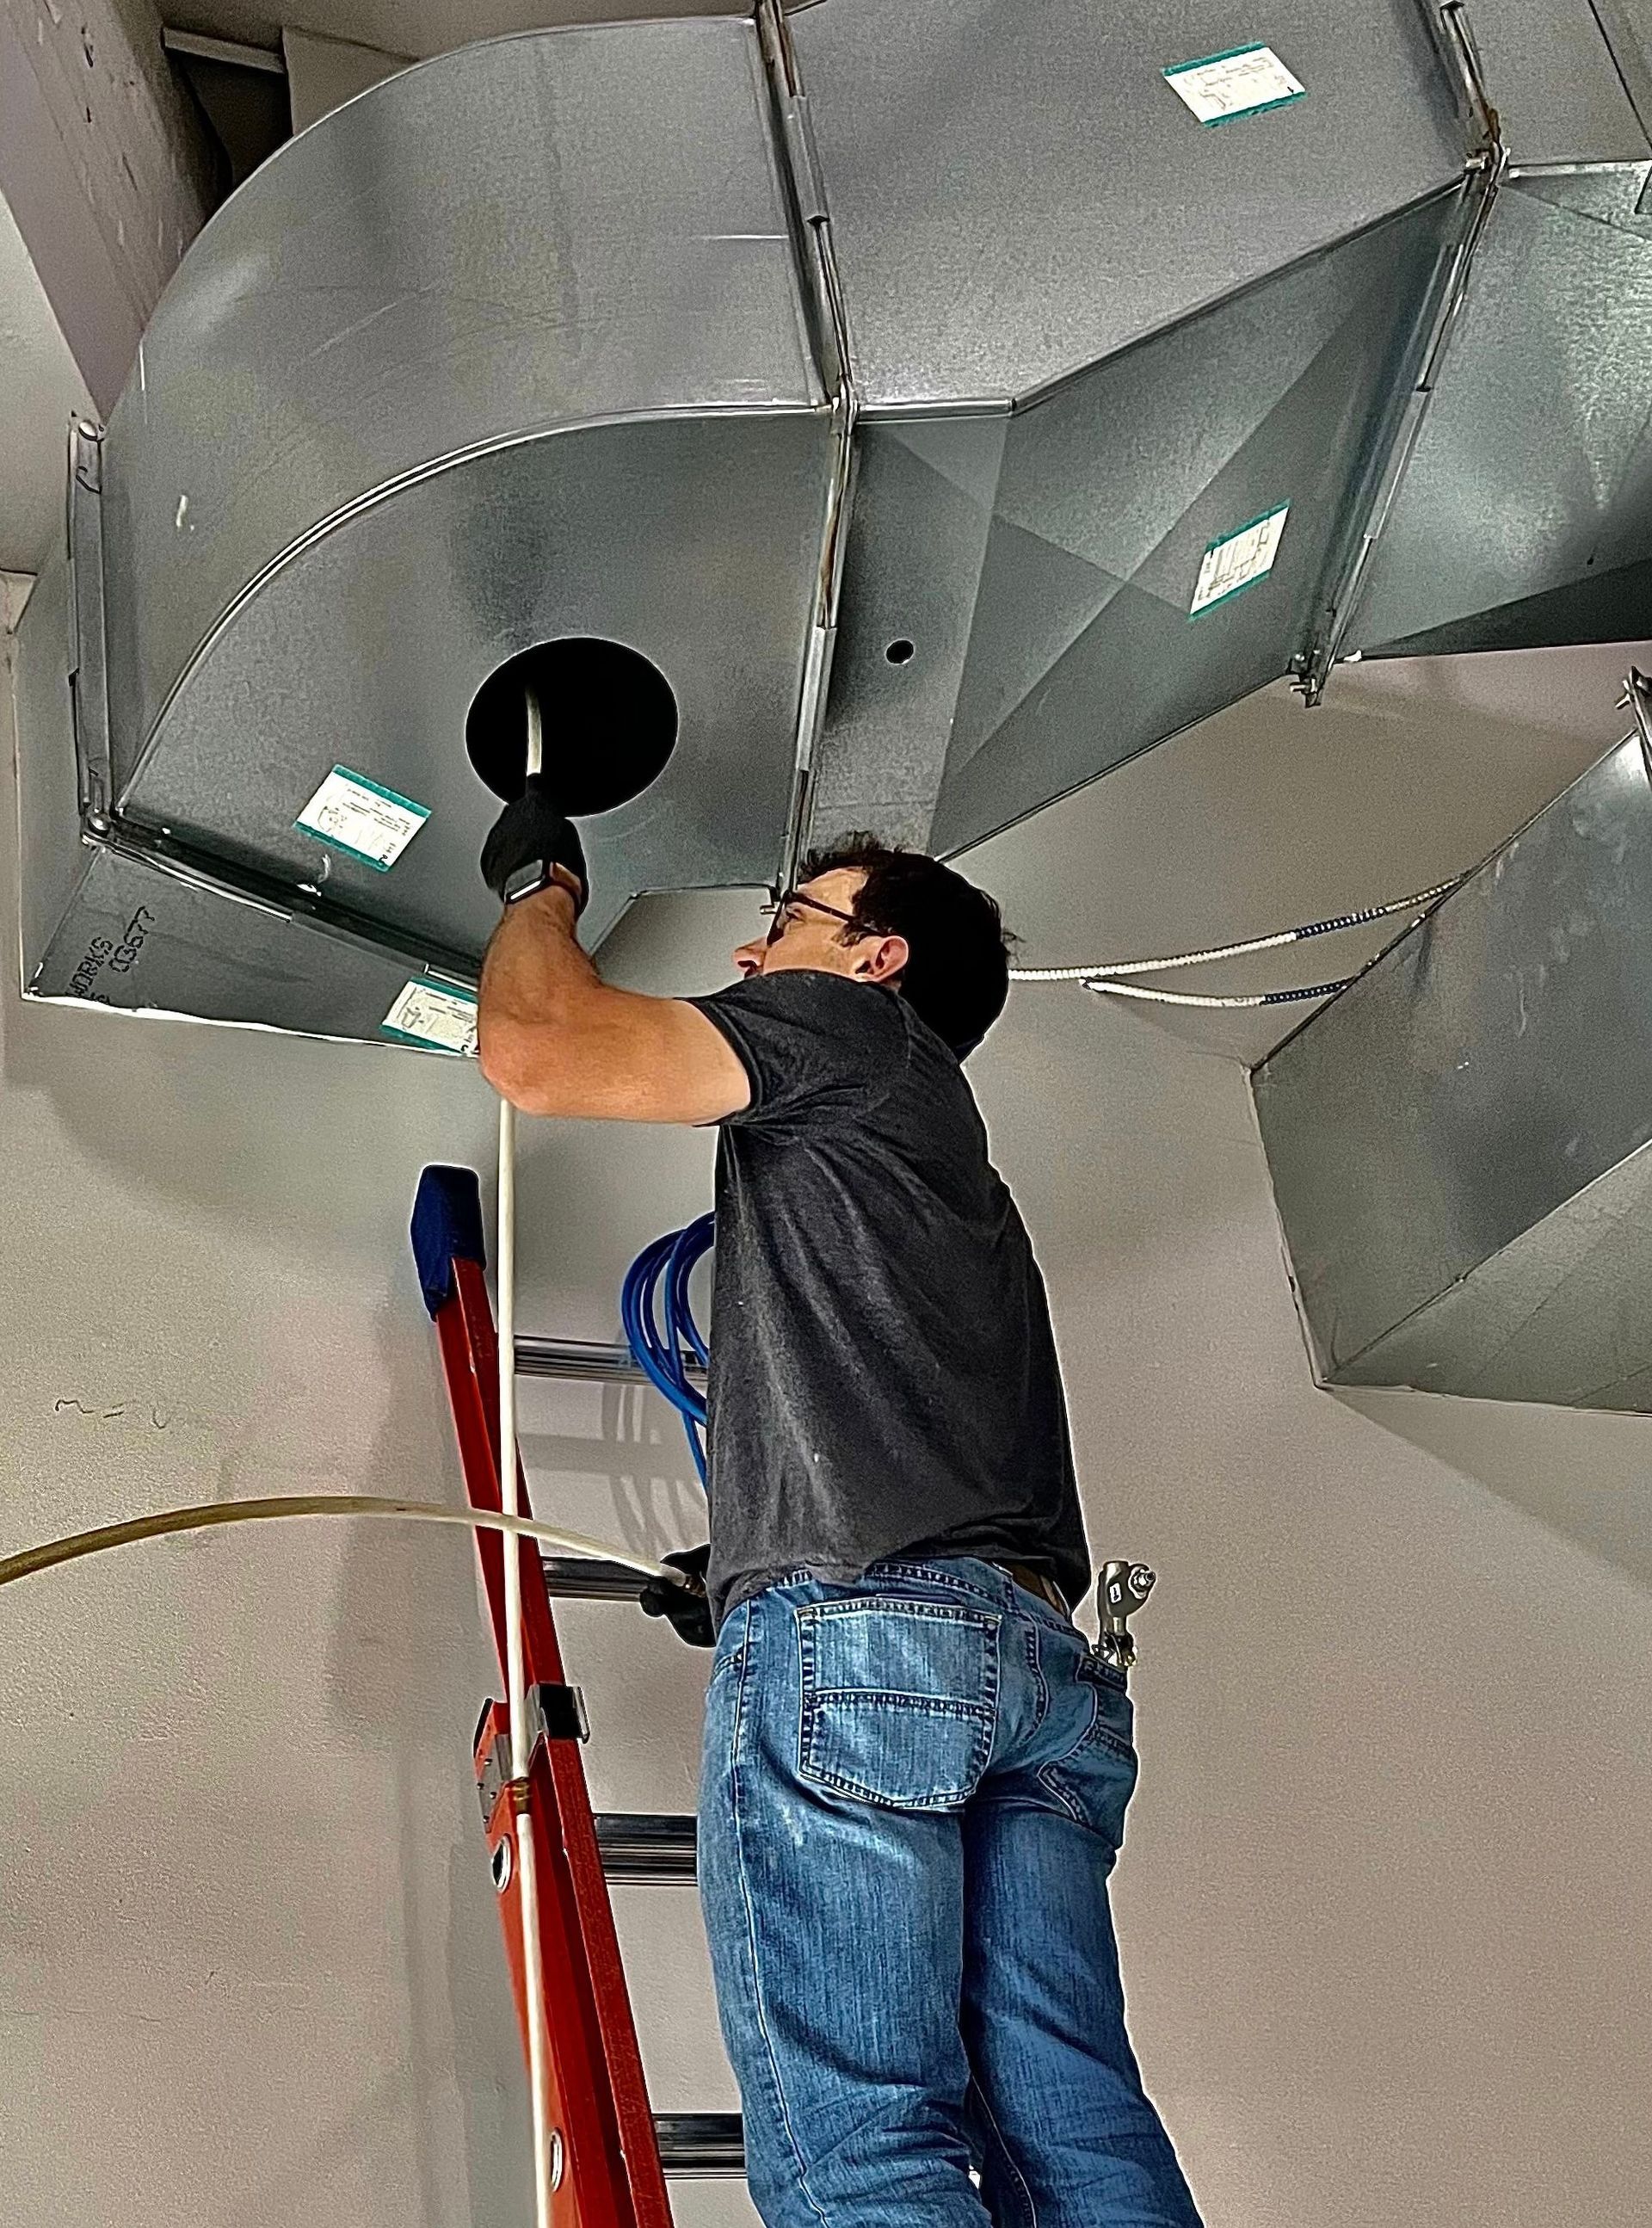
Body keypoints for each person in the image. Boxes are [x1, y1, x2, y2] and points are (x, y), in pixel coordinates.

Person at [478, 775, 1204, 2228]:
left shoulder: (852, 1034)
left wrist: (538, 893)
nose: (752, 958)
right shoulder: (960, 1177)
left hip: (875, 1655)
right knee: (1075, 2133)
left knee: (865, 2150)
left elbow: (536, 1044)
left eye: (784, 924)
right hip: (1035, 1676)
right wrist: (743, 1551)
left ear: (878, 959)